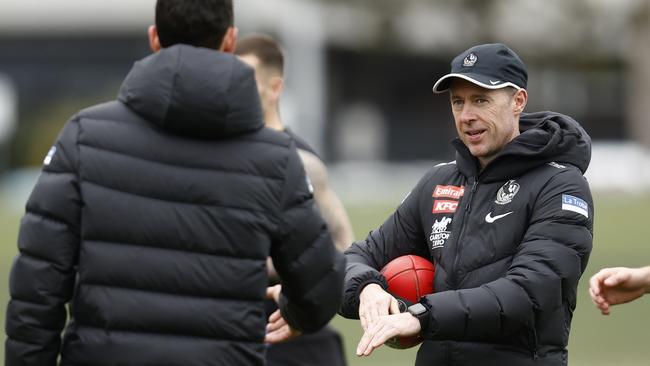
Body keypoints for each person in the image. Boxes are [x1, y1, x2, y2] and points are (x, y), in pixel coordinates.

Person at [4, 1, 346, 365]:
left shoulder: (83, 137)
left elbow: (37, 289)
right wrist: (295, 314)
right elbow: (322, 286)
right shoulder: (277, 158)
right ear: (230, 41)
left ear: (154, 38)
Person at [339, 43, 594, 366]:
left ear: (518, 101)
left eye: (481, 100)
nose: (467, 116)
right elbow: (354, 258)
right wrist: (367, 288)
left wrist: (422, 315)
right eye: (457, 102)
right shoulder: (438, 183)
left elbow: (530, 292)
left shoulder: (559, 184)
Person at [235, 34, 353, 366]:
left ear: (274, 88)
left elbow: (342, 244)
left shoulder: (301, 161)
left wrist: (262, 268)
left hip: (291, 338)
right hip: (230, 334)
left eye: (246, 81)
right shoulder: (222, 152)